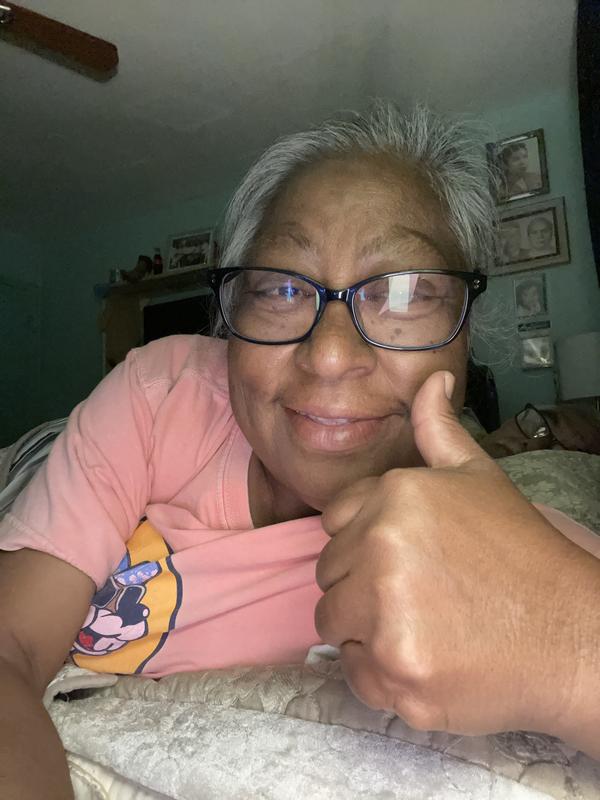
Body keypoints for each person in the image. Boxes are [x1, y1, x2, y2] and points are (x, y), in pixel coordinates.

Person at [1, 103, 600, 799]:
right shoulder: (163, 389)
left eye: (403, 293)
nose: (331, 356)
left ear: (467, 330)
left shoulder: (509, 554)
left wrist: (569, 650)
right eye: (283, 289)